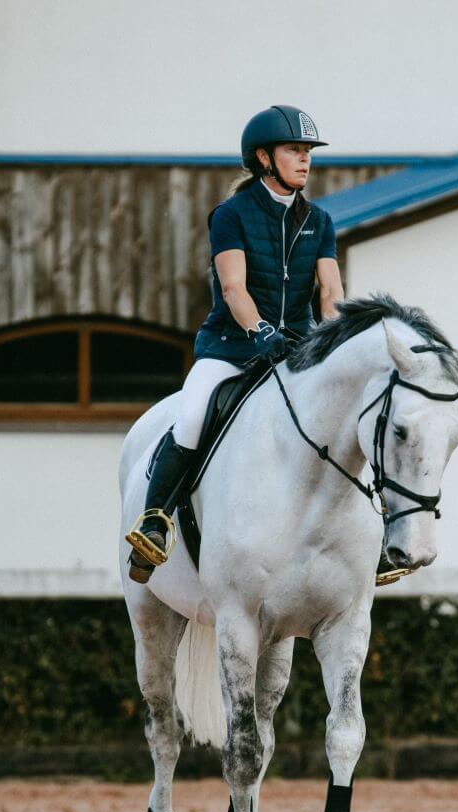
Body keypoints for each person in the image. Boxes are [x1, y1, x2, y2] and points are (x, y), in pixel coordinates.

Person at [126, 105, 344, 583]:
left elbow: (330, 292)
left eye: (308, 152)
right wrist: (261, 333)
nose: (305, 160)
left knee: (349, 417)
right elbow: (234, 289)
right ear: (264, 158)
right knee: (192, 415)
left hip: (299, 350)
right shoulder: (231, 215)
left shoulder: (320, 220)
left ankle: (370, 538)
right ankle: (155, 522)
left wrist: (332, 338)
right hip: (232, 347)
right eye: (294, 150)